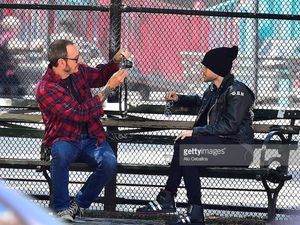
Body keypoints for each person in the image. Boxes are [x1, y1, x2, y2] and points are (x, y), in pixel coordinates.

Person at [136, 46, 255, 225]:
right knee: (187, 151)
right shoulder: (214, 90)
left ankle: (172, 199)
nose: (202, 70)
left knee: (187, 145)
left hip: (238, 151)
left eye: (206, 66)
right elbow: (201, 102)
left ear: (217, 68)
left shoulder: (237, 91)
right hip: (221, 146)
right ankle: (192, 211)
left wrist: (196, 131)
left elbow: (230, 126)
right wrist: (179, 99)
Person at [35, 39, 129, 222]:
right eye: (75, 58)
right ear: (62, 62)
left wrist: (115, 61)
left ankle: (76, 206)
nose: (79, 60)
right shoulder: (46, 88)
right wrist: (109, 88)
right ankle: (61, 209)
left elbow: (100, 75)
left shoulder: (79, 71)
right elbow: (79, 113)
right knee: (60, 154)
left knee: (109, 163)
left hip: (91, 137)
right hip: (64, 138)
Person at [0, 16, 25, 97]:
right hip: (9, 67)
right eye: (17, 27)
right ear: (13, 27)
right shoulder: (10, 36)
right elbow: (17, 47)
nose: (17, 29)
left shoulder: (3, 36)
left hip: (4, 64)